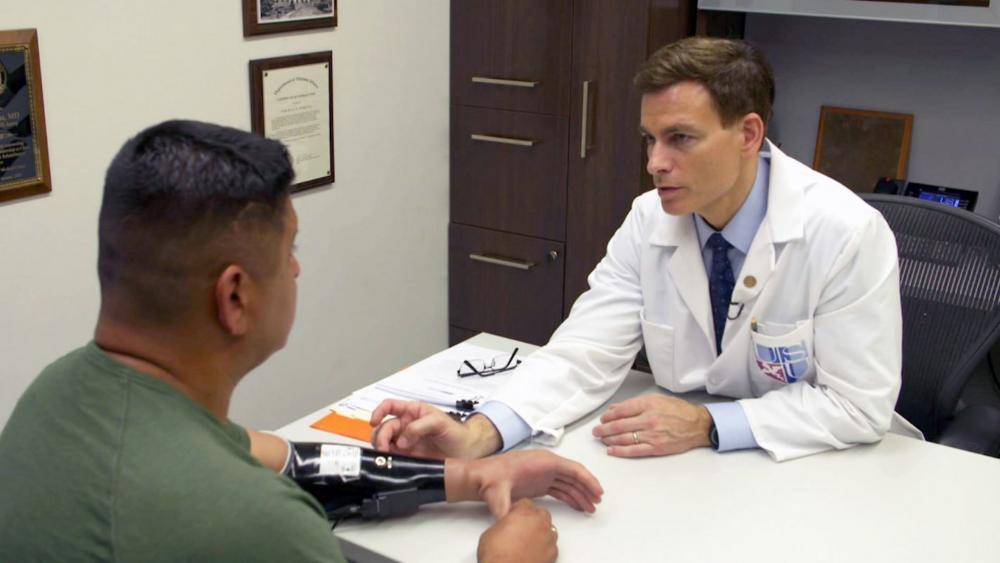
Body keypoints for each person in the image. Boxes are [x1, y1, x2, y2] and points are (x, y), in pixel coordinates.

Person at [0, 120, 602, 562]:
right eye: (290, 249)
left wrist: (468, 477)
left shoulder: (57, 397)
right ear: (234, 297)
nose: (295, 271)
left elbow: (288, 460)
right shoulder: (253, 525)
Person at [371, 36, 921, 464]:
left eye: (680, 138)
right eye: (649, 140)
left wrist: (707, 426)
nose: (656, 162)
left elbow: (858, 406)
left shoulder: (846, 232)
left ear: (748, 134)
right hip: (690, 478)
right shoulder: (648, 219)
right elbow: (583, 352)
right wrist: (480, 434)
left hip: (816, 471)